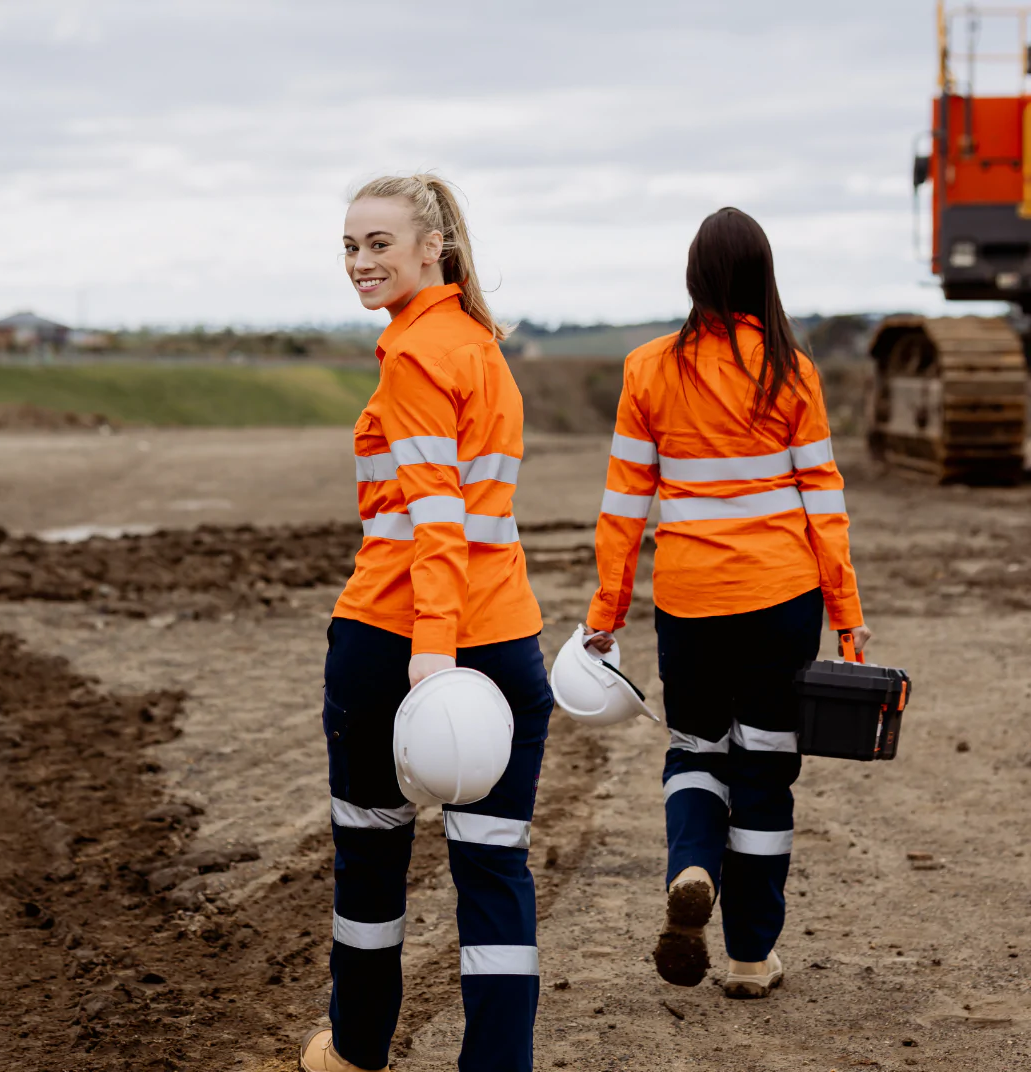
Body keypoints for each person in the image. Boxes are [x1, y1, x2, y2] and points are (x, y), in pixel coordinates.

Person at [298, 174, 553, 1072]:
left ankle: (358, 1047)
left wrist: (431, 650)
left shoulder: (413, 356)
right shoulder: (479, 345)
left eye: (378, 244)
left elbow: (438, 516)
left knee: (370, 857)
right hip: (510, 644)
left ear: (429, 249)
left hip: (399, 643)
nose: (361, 262)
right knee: (495, 868)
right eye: (349, 246)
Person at [582, 207, 870, 999]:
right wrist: (846, 612)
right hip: (782, 599)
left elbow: (623, 507)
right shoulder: (792, 371)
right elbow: (824, 500)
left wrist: (605, 616)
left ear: (695, 276)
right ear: (761, 276)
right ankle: (748, 957)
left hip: (690, 602)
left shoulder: (647, 369)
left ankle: (693, 866)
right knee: (767, 772)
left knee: (696, 750)